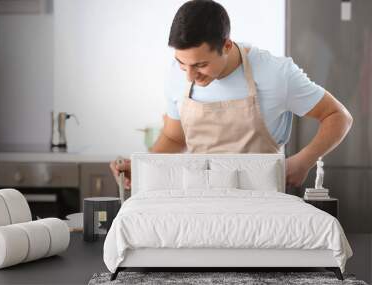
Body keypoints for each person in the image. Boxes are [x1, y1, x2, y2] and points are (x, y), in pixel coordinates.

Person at [110, 0, 352, 190]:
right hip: (199, 200)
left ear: (226, 46)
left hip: (262, 204)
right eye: (182, 64)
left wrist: (304, 161)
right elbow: (175, 138)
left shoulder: (276, 73)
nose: (189, 76)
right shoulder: (177, 74)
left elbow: (337, 116)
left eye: (201, 65)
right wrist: (143, 167)